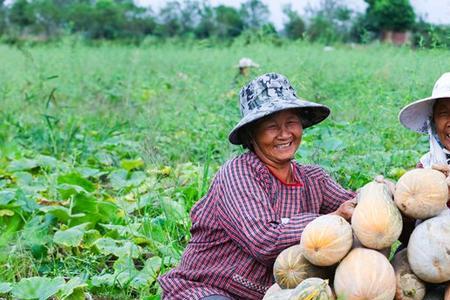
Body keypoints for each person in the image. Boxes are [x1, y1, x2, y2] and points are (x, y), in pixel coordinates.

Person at [158, 73, 357, 300]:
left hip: (275, 294)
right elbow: (265, 240)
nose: (284, 134)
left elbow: (355, 207)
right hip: (210, 289)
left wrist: (382, 193)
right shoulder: (239, 172)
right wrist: (332, 220)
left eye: (291, 122)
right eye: (271, 126)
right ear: (251, 134)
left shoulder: (314, 179)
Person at [398, 72, 450, 298]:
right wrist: (408, 209)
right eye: (444, 114)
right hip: (431, 263)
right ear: (433, 121)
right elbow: (410, 236)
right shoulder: (426, 165)